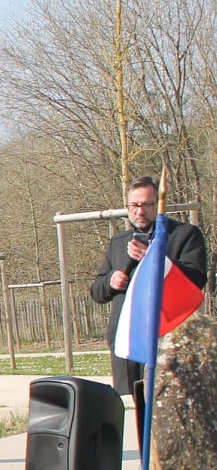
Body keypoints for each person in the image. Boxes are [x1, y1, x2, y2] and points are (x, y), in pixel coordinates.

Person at [89, 175, 209, 436]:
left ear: (159, 204)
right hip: (132, 340)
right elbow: (97, 291)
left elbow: (195, 279)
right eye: (134, 205)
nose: (140, 211)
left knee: (174, 415)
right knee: (142, 413)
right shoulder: (118, 242)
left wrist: (153, 258)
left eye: (147, 204)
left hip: (170, 339)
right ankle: (147, 460)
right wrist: (111, 281)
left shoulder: (184, 235)